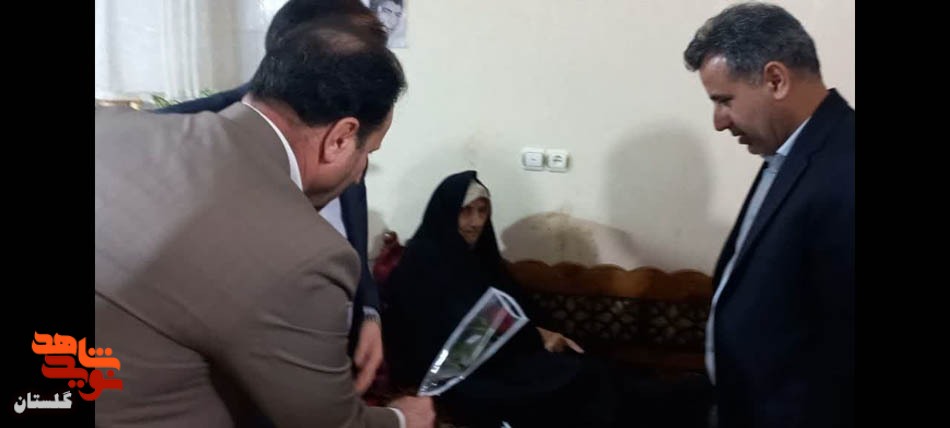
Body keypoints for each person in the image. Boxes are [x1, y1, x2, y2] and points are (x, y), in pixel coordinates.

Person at [95, 12, 435, 428]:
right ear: (340, 138)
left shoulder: (112, 128)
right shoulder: (304, 255)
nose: (360, 171)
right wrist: (404, 419)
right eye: (368, 152)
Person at [157, 0, 387, 396]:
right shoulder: (179, 133)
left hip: (329, 365)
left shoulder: (353, 133)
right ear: (296, 53)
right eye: (360, 60)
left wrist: (369, 313)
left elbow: (350, 239)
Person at [382, 170, 712, 428]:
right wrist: (535, 336)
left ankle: (684, 399)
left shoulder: (480, 258)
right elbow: (447, 331)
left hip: (502, 360)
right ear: (445, 214)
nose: (476, 223)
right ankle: (681, 400)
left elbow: (517, 306)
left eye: (483, 211)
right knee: (580, 380)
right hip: (457, 379)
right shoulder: (423, 263)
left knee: (589, 369)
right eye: (465, 212)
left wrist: (546, 333)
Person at [683, 2, 854, 427]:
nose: (719, 121)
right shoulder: (792, 153)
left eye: (725, 100)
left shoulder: (845, 166)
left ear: (775, 80)